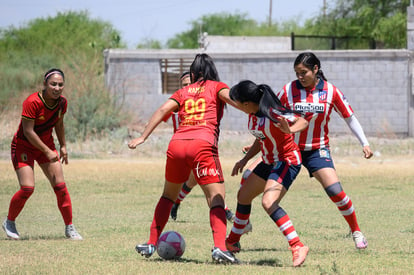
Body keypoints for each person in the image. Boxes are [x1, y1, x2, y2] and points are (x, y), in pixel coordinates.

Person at [128, 53, 239, 264]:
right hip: (202, 145)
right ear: (211, 71)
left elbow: (162, 110)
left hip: (177, 145)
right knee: (216, 199)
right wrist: (256, 110)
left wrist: (143, 137)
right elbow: (234, 100)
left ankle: (151, 242)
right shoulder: (216, 86)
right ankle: (220, 248)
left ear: (194, 72)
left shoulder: (182, 91)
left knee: (168, 196)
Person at [276, 52, 373, 249]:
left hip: (316, 149)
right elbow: (273, 115)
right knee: (266, 193)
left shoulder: (330, 91)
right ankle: (237, 234)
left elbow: (350, 117)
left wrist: (364, 142)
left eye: (304, 72)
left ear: (316, 69)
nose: (300, 77)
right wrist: (260, 141)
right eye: (297, 73)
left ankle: (356, 231)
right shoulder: (288, 90)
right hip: (289, 149)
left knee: (335, 190)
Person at [225, 80, 310, 267]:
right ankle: (232, 242)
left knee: (268, 202)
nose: (236, 106)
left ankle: (298, 246)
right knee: (244, 195)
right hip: (269, 161)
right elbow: (261, 138)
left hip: (287, 161)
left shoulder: (273, 113)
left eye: (237, 102)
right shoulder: (253, 114)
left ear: (246, 103)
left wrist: (290, 130)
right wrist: (245, 160)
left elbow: (303, 120)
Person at [2, 68, 83, 241]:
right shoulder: (32, 102)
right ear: (45, 84)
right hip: (23, 146)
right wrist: (47, 151)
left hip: (46, 145)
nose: (57, 88)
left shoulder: (62, 103)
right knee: (27, 188)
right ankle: (9, 222)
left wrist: (63, 146)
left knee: (61, 187)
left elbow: (59, 124)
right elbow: (28, 131)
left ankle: (70, 227)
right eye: (53, 84)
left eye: (60, 85)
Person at [167, 72, 236, 223]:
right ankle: (226, 214)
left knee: (195, 181)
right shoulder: (177, 103)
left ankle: (177, 203)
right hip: (182, 151)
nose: (187, 87)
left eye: (189, 84)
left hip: (199, 149)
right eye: (184, 85)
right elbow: (162, 114)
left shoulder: (204, 104)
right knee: (206, 185)